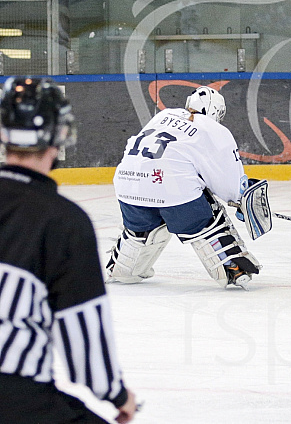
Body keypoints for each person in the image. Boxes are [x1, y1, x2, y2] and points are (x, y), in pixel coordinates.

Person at [0, 77, 137, 423]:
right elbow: (83, 338)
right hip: (14, 395)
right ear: (60, 135)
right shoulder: (63, 221)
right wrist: (117, 395)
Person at [107, 86, 261, 289]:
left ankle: (122, 267)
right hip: (172, 192)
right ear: (217, 111)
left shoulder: (163, 115)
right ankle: (232, 266)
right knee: (206, 214)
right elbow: (228, 181)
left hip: (128, 185)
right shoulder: (214, 129)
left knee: (140, 226)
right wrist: (239, 198)